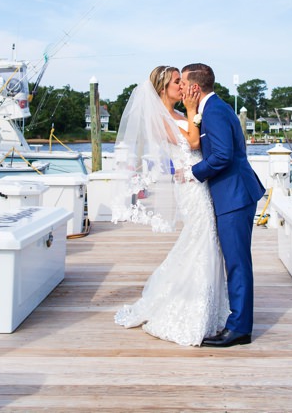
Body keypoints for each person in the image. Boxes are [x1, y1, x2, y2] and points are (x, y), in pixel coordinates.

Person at [113, 65, 229, 346]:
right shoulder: (160, 118)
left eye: (181, 81)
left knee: (205, 241)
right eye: (177, 82)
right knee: (202, 238)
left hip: (198, 182)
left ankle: (207, 307)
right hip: (190, 188)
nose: (181, 86)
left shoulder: (178, 114)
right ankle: (185, 309)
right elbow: (190, 141)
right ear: (163, 88)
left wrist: (189, 114)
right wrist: (192, 111)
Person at [181, 63, 265, 347]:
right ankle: (238, 321)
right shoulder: (214, 108)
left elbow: (223, 157)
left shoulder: (215, 111)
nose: (180, 87)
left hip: (234, 195)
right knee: (235, 261)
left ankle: (240, 328)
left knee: (238, 263)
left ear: (195, 87)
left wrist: (192, 174)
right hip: (231, 194)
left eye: (183, 82)